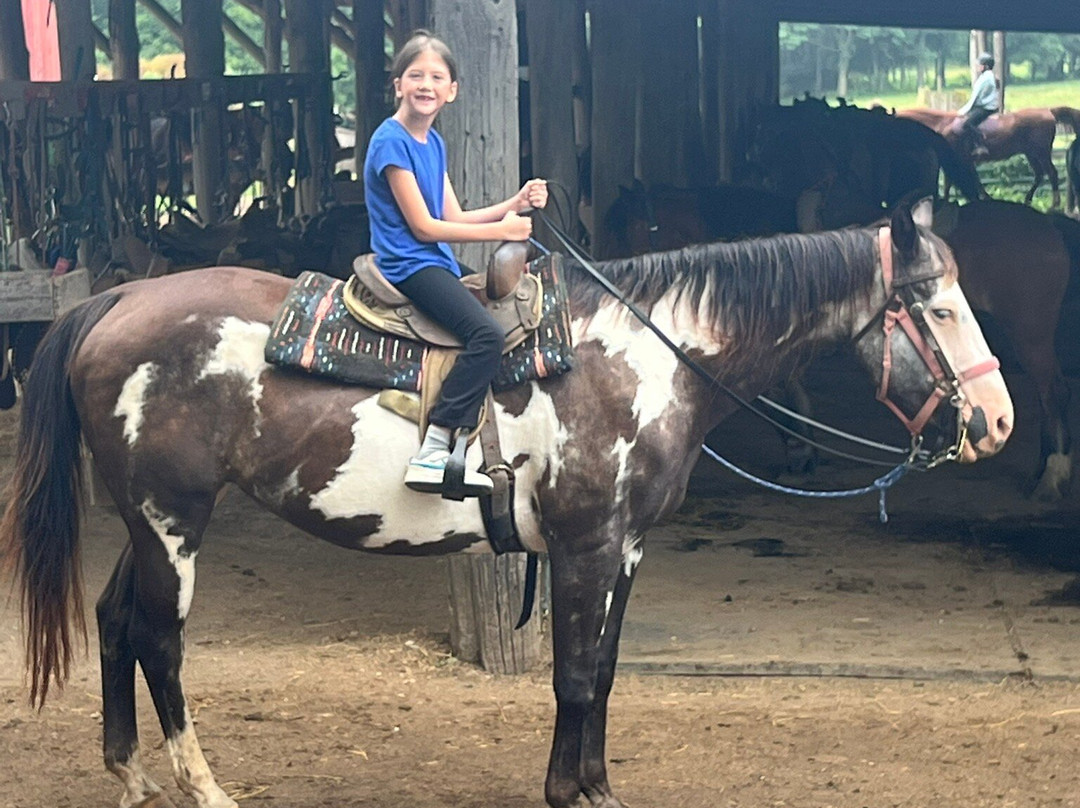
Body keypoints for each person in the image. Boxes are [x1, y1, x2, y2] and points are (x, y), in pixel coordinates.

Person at [363, 30, 548, 497]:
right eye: (416, 75)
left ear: (452, 90)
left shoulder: (433, 143)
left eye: (437, 77)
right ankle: (434, 448)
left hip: (433, 260)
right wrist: (502, 232)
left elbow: (454, 216)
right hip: (409, 263)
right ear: (398, 84)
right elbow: (425, 227)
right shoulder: (391, 141)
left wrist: (515, 204)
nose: (426, 84)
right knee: (486, 335)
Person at [957, 53, 999, 159]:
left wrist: (962, 111)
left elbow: (974, 98)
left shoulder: (985, 78)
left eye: (980, 64)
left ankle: (980, 144)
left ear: (986, 66)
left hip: (986, 108)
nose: (977, 66)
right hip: (985, 106)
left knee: (967, 124)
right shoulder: (987, 76)